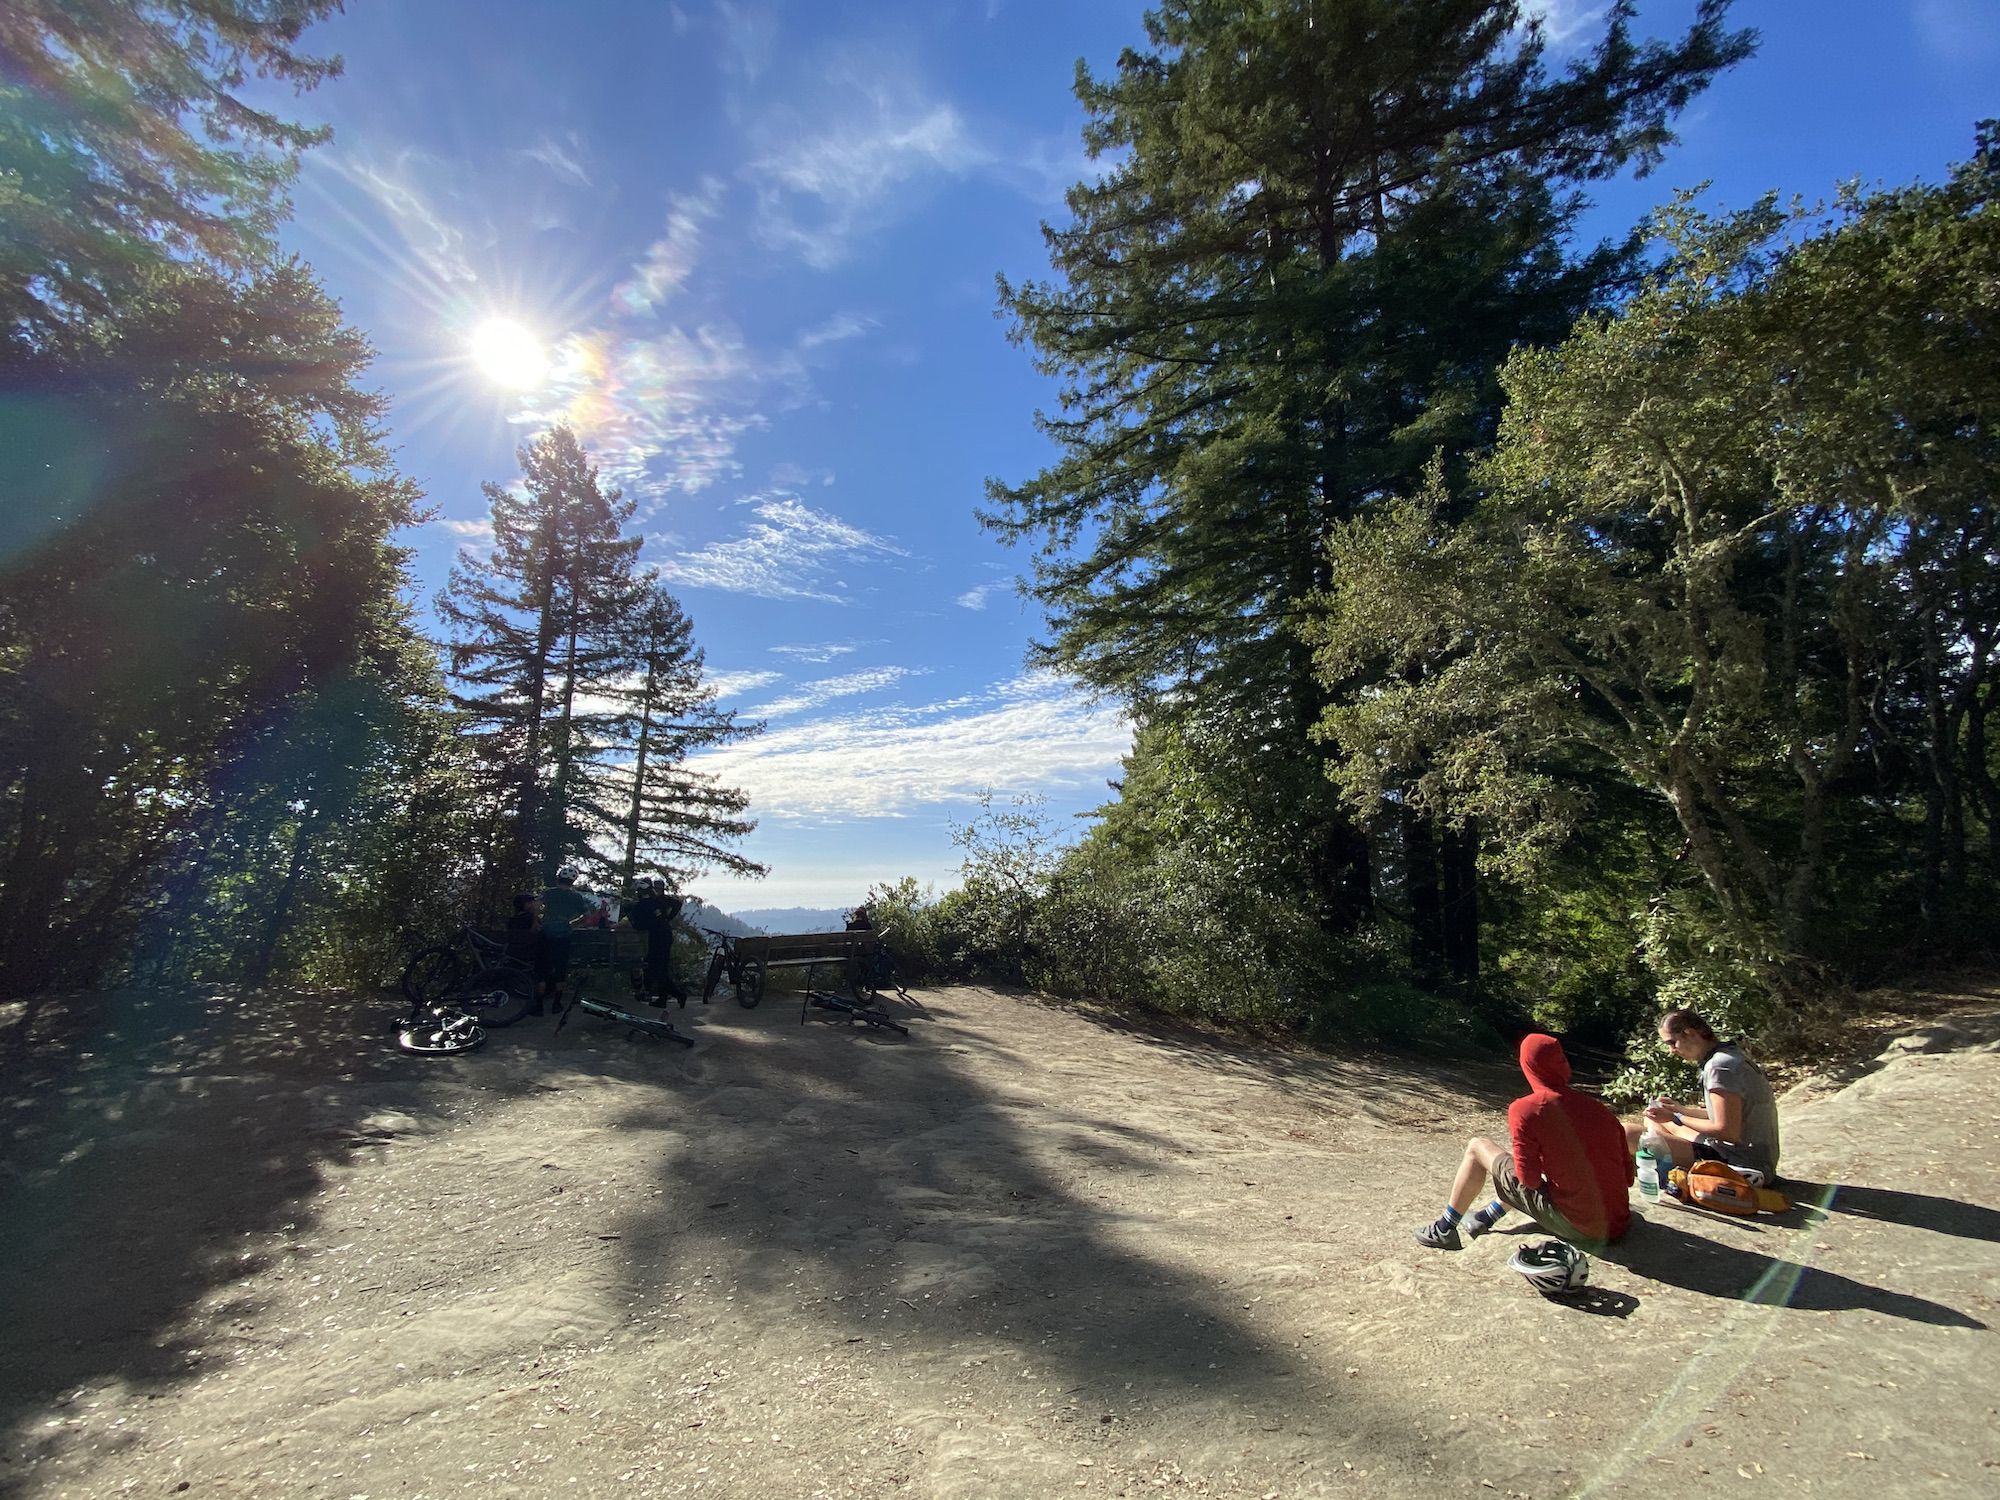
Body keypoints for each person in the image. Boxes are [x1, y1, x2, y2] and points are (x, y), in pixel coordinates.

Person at [1415, 1033, 1634, 1252]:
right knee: (1540, 1165)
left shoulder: (1527, 1110)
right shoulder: (1600, 1111)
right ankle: (1484, 1217)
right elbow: (1628, 1178)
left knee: (1477, 1147)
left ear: (1528, 1066)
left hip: (1581, 1228)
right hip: (1618, 1223)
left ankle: (1444, 1229)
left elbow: (1528, 1180)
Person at [1629, 1008, 1782, 1181]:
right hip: (1747, 1154)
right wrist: (1680, 1110)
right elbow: (1727, 1117)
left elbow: (1727, 1131)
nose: (1672, 1050)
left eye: (1672, 1043)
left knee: (1628, 1133)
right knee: (1653, 1120)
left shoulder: (1720, 1067)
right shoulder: (1728, 1056)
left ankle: (1678, 1172)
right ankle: (1674, 1169)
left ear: (1691, 1033)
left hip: (1741, 1162)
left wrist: (1675, 1117)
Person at [535, 865, 595, 1012]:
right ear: (572, 881)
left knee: (542, 968)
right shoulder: (576, 897)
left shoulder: (549, 893)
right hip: (564, 936)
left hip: (546, 933)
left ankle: (538, 1006)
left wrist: (537, 922)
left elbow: (535, 905)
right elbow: (587, 917)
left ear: (558, 878)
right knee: (561, 969)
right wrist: (571, 924)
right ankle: (557, 1004)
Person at [625, 877, 686, 1005]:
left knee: (655, 969)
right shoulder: (658, 901)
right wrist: (668, 918)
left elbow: (638, 926)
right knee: (661, 968)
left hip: (656, 939)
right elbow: (676, 903)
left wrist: (630, 915)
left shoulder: (640, 907)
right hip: (665, 935)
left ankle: (678, 994)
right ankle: (663, 999)